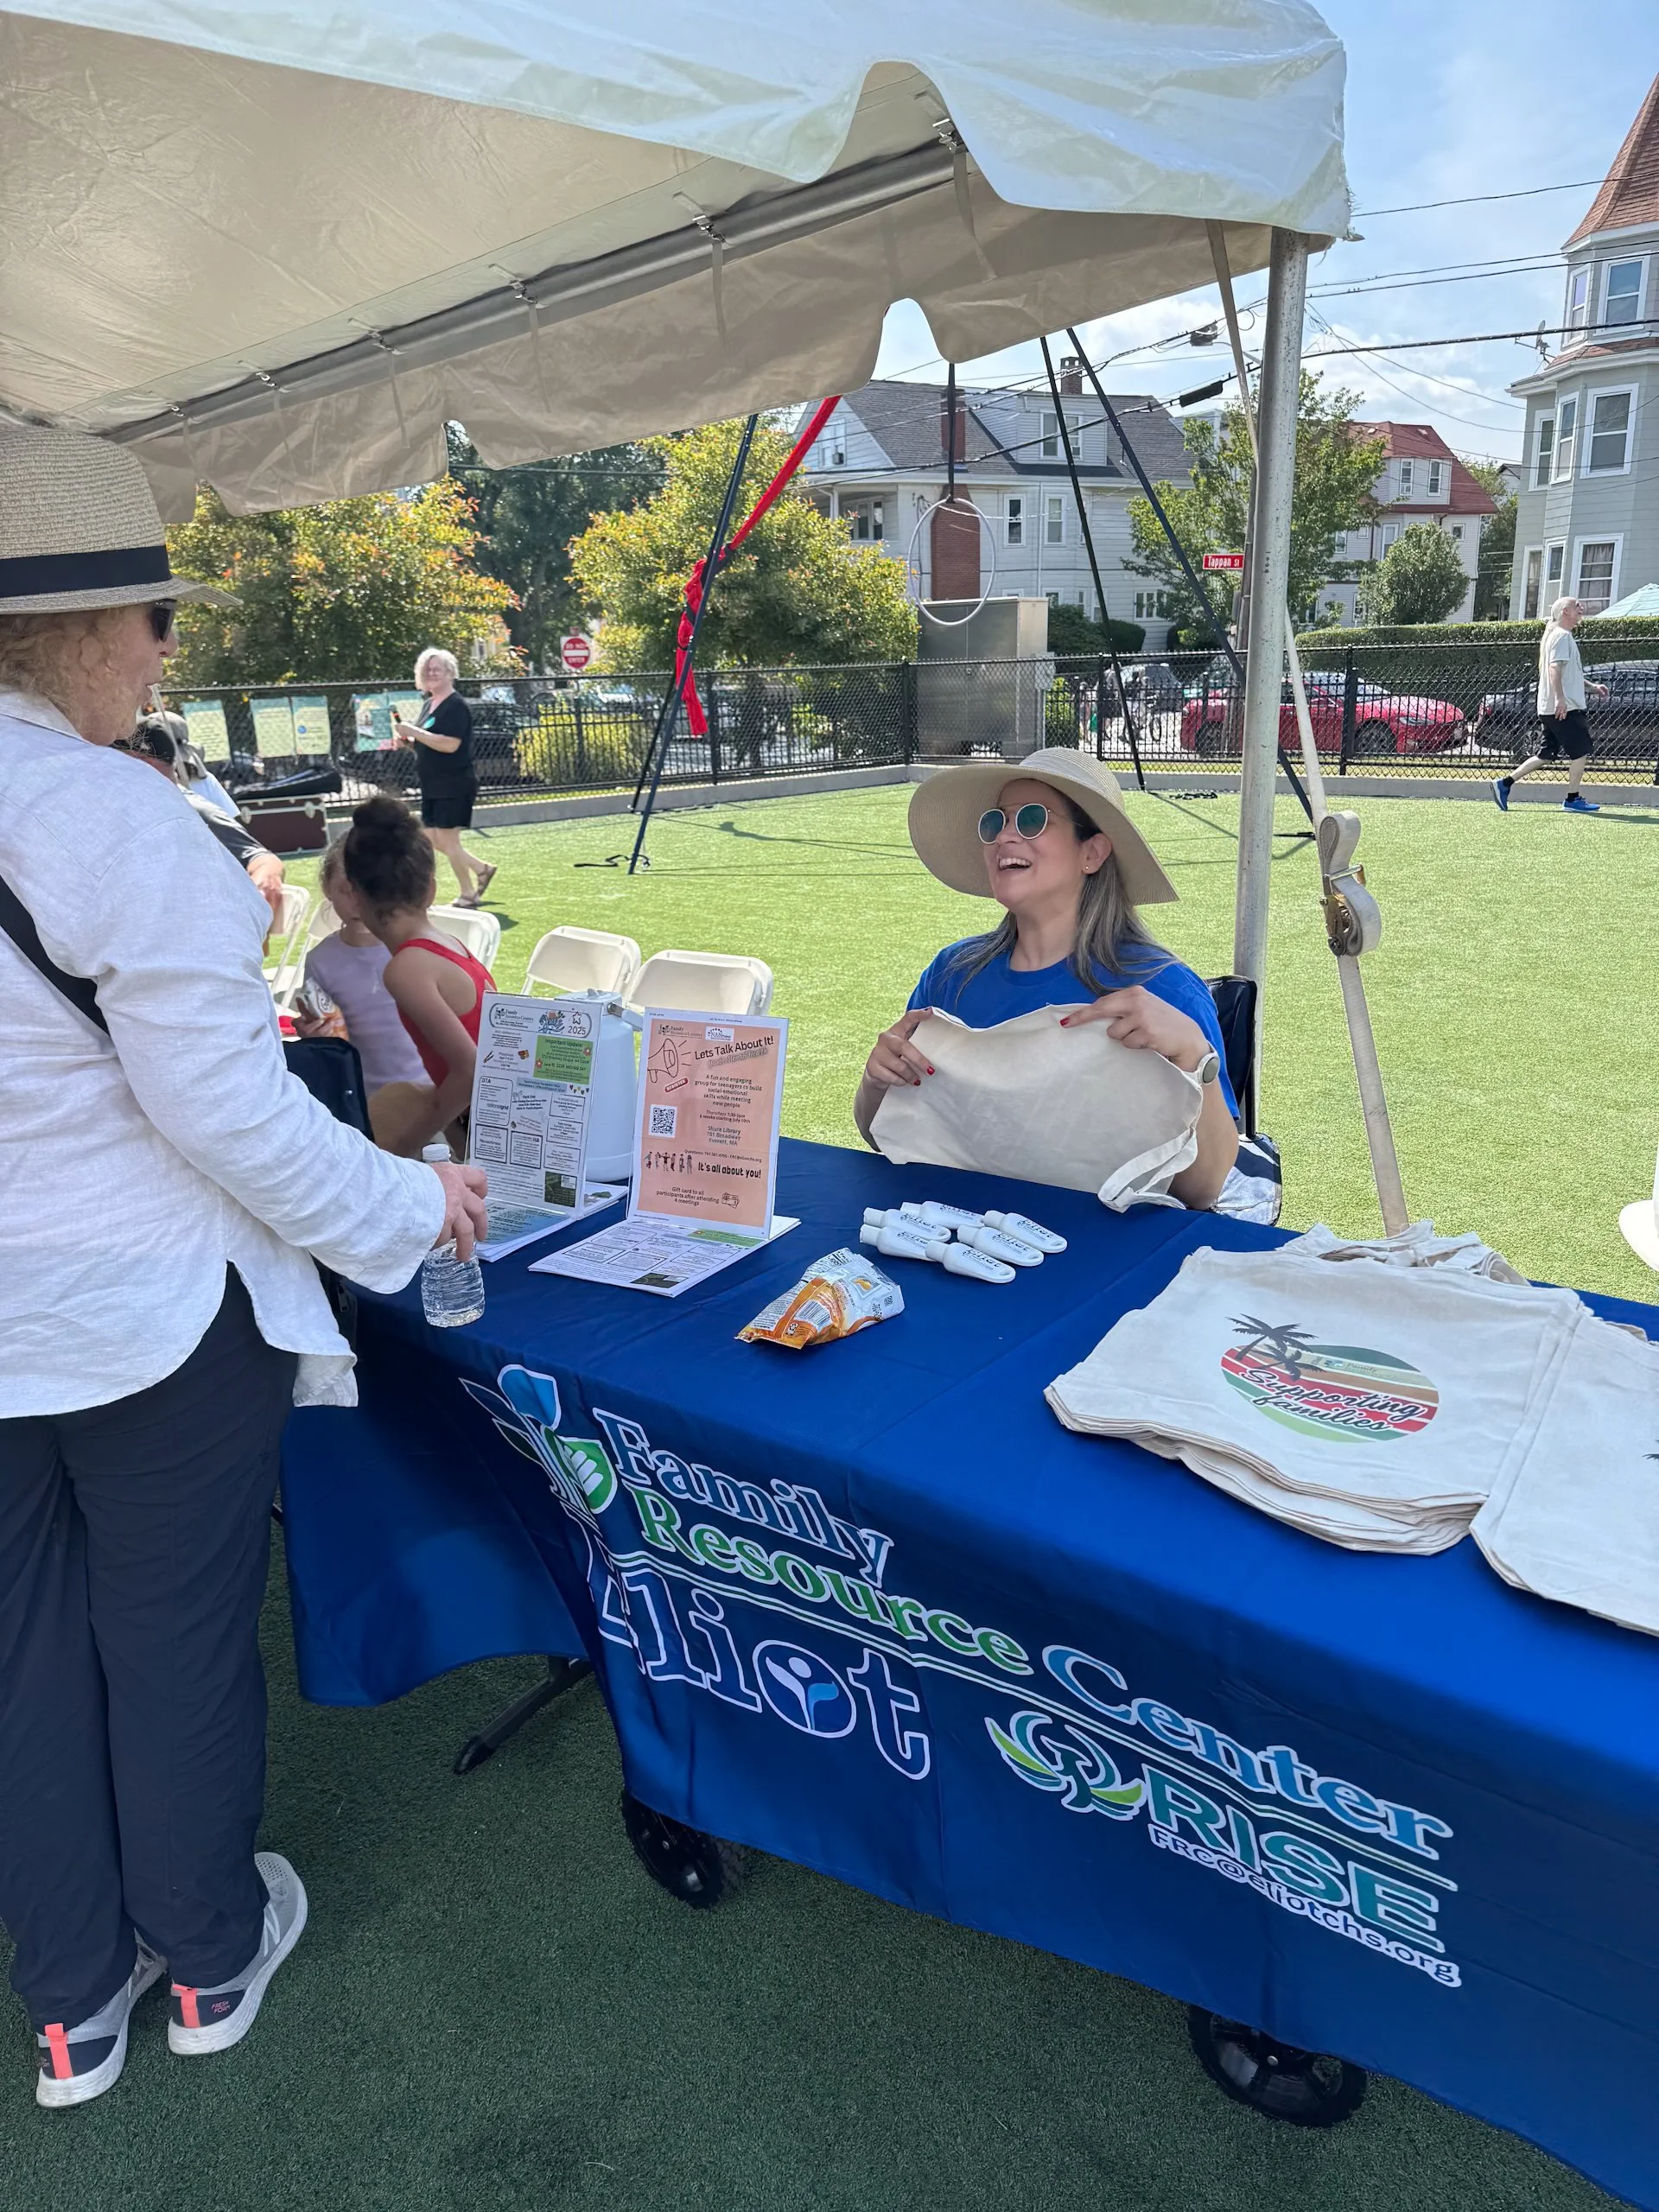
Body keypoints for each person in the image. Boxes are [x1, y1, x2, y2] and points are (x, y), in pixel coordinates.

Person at [0, 422, 488, 2110]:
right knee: (172, 1639)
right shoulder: (113, 820)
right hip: (143, 1311)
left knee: (25, 1658)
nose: (163, 647)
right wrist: (415, 1212)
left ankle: (71, 2004)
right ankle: (205, 1955)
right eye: (154, 615)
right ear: (67, 624)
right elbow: (232, 1118)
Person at [855, 747, 1239, 1210]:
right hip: (962, 1240)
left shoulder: (1162, 987)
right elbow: (887, 1138)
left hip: (1100, 1257)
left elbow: (1204, 1190)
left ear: (1092, 853)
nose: (1004, 837)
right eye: (995, 823)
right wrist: (876, 1083)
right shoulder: (952, 974)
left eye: (1032, 819)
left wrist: (1195, 1052)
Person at [340, 794, 496, 1156]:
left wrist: (403, 1148)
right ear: (431, 887)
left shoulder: (408, 968)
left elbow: (470, 1070)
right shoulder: (449, 944)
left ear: (355, 895)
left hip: (487, 1132)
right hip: (493, 1121)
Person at [293, 837, 429, 1095]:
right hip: (362, 1101)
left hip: (432, 1096)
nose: (360, 902)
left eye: (372, 888)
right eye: (347, 889)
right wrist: (315, 1038)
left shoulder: (420, 951)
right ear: (327, 888)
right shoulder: (321, 961)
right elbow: (331, 1043)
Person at [121, 712, 288, 922]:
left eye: (114, 761)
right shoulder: (130, 810)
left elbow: (263, 859)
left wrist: (265, 881)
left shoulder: (190, 809)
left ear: (144, 763)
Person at [391, 648, 495, 906]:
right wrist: (408, 742)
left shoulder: (456, 706)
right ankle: (481, 869)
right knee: (431, 838)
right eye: (427, 669)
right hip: (432, 783)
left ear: (450, 672)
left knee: (448, 841)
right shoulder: (429, 704)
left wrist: (415, 731)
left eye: (437, 669)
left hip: (454, 782)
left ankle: (468, 893)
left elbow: (450, 745)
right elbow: (428, 744)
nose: (432, 673)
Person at [1492, 597, 1609, 813]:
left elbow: (1568, 673)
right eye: (1577, 605)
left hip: (1552, 708)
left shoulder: (1561, 636)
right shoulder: (1562, 637)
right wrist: (1561, 699)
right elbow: (1554, 669)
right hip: (1563, 709)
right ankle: (1572, 799)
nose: (1581, 608)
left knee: (1546, 754)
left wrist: (1592, 686)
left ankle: (1504, 784)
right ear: (1565, 611)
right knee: (1581, 751)